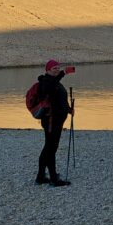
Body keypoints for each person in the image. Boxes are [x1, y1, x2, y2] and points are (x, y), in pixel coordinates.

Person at [36, 59, 73, 187]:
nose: (57, 70)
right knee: (51, 148)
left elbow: (59, 100)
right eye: (54, 68)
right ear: (47, 70)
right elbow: (50, 90)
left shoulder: (54, 81)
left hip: (57, 120)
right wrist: (62, 74)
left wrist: (69, 110)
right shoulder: (45, 82)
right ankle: (53, 178)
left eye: (58, 67)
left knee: (50, 147)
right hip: (51, 121)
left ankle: (41, 176)